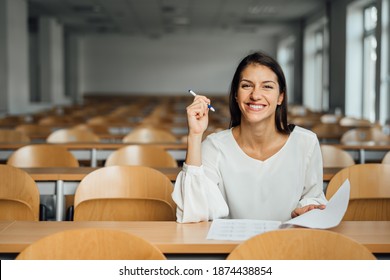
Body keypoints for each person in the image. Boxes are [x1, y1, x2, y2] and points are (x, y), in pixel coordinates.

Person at [172, 51, 327, 223]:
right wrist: (195, 135)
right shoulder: (214, 146)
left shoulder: (306, 142)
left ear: (280, 97)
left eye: (267, 86)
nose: (255, 95)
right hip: (231, 248)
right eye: (247, 86)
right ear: (236, 95)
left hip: (289, 245)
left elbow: (313, 197)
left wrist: (309, 208)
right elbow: (194, 213)